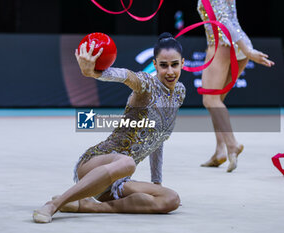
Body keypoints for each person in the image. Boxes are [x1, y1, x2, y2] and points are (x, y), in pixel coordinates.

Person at [33, 32, 186, 223]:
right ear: (155, 64)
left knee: (171, 199)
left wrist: (157, 184)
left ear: (182, 63)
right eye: (163, 65)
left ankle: (90, 206)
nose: (170, 71)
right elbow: (126, 76)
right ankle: (53, 205)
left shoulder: (179, 92)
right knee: (128, 162)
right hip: (96, 163)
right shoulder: (146, 84)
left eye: (174, 64)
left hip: (119, 180)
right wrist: (94, 73)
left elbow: (158, 140)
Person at [197, 0, 275, 172]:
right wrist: (246, 49)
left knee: (210, 100)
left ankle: (231, 145)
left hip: (223, 43)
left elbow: (224, 20)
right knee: (217, 101)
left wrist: (247, 51)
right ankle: (220, 152)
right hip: (238, 42)